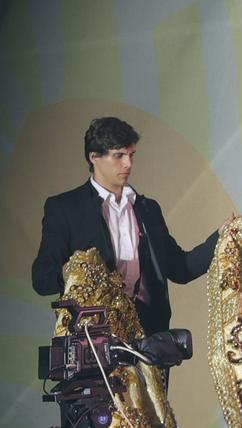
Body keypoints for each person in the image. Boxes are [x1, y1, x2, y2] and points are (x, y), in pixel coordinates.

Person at [31, 116, 218, 336]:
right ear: (94, 157)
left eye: (131, 155)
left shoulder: (147, 209)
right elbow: (42, 278)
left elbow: (180, 268)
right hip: (95, 336)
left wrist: (222, 237)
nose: (128, 163)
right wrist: (76, 272)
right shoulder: (65, 208)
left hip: (149, 336)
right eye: (119, 155)